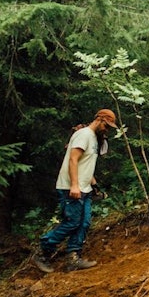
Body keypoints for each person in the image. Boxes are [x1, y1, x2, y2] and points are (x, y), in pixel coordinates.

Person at [34, 109, 117, 272]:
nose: (107, 130)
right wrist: (74, 185)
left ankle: (73, 258)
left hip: (85, 188)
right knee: (72, 222)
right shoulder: (83, 135)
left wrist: (94, 184)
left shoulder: (94, 138)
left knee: (84, 223)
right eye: (106, 126)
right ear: (99, 120)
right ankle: (43, 251)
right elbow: (73, 159)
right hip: (70, 187)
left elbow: (85, 163)